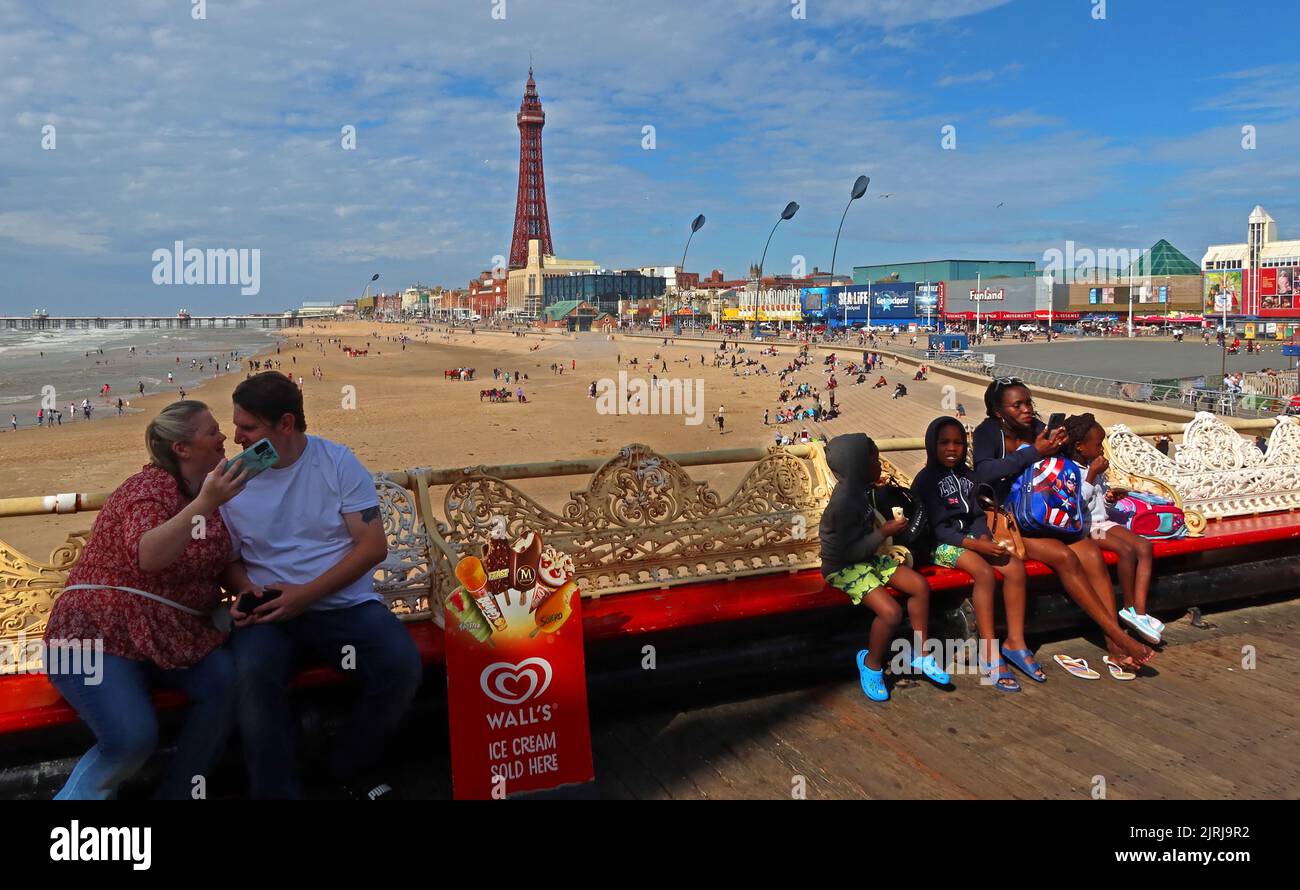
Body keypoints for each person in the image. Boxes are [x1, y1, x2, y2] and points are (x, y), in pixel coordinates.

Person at [222, 372, 422, 800]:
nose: (235, 437)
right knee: (253, 676)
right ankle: (276, 792)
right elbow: (230, 561)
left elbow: (371, 547)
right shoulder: (233, 480)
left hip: (342, 604)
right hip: (270, 609)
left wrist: (306, 595)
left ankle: (348, 766)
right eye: (236, 424)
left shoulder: (336, 462)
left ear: (287, 424)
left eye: (248, 427)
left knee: (400, 663)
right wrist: (245, 591)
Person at [43, 401, 248, 798]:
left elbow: (217, 561)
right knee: (130, 738)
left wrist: (247, 591)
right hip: (95, 634)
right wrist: (206, 503)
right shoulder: (148, 488)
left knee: (227, 681)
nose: (223, 437)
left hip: (172, 637)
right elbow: (149, 555)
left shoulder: (207, 493)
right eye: (212, 431)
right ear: (182, 448)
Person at [973, 378, 1154, 673]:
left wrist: (1058, 447)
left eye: (1028, 402)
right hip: (1011, 523)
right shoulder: (987, 432)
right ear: (997, 411)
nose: (1026, 410)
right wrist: (1034, 452)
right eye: (1017, 405)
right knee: (1066, 558)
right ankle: (1121, 637)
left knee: (1093, 557)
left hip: (1048, 516)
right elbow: (984, 472)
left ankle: (1115, 646)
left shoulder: (1037, 429)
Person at [819, 434, 948, 702]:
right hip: (843, 566)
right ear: (858, 466)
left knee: (919, 586)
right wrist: (885, 531)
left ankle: (921, 654)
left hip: (866, 557)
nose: (881, 464)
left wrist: (873, 486)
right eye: (875, 460)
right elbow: (847, 551)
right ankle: (871, 664)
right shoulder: (844, 504)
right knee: (890, 612)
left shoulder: (855, 491)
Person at [913, 417, 1032, 691]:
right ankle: (989, 649)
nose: (952, 448)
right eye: (944, 443)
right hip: (939, 545)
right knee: (983, 572)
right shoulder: (927, 480)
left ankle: (1015, 640)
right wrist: (974, 545)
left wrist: (982, 536)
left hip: (972, 541)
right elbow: (939, 530)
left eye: (958, 442)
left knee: (1014, 568)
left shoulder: (968, 477)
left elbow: (978, 514)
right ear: (932, 445)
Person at [1064, 414, 1161, 649]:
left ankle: (1139, 611)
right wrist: (1089, 475)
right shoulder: (1071, 470)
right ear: (1079, 446)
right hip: (1087, 529)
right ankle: (1127, 608)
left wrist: (1110, 499)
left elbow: (1099, 504)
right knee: (1125, 551)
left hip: (1102, 523)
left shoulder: (1096, 467)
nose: (1101, 450)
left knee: (1144, 546)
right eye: (1098, 445)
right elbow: (1075, 505)